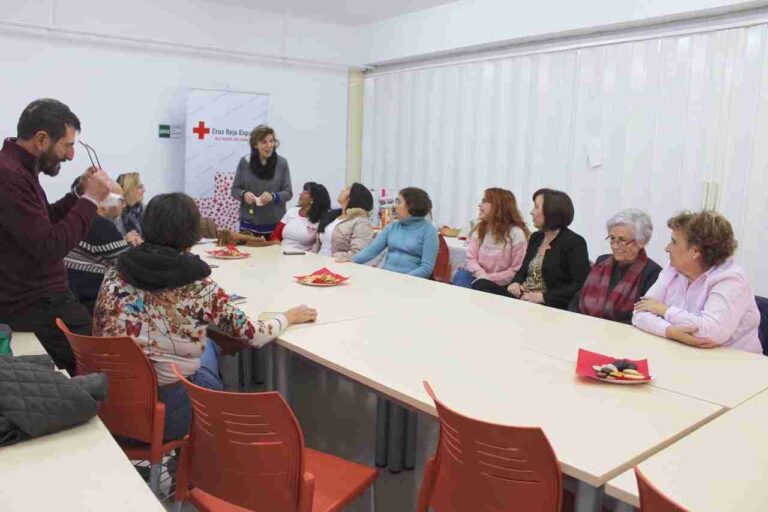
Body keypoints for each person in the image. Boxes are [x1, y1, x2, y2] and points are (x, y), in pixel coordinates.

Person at [93, 193, 317, 440]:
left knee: (208, 344)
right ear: (192, 232)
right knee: (210, 350)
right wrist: (288, 316)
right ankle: (214, 446)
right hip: (165, 411)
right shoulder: (197, 285)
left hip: (110, 401)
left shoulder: (116, 270)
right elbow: (254, 335)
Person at [0, 98, 111, 374]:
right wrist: (90, 200)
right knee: (101, 365)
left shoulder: (17, 168)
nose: (71, 155)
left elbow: (43, 221)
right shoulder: (10, 176)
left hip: (39, 300)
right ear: (41, 139)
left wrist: (78, 194)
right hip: (34, 305)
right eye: (67, 145)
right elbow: (50, 246)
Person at [632, 210, 761, 352]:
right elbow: (639, 313)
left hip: (736, 366)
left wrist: (664, 310)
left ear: (695, 252)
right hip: (685, 355)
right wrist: (670, 331)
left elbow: (711, 333)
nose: (667, 248)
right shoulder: (674, 268)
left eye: (674, 242)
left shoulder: (731, 279)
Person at [473, 188, 590, 309]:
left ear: (551, 212)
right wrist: (516, 283)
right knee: (481, 284)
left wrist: (543, 297)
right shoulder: (536, 237)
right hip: (522, 297)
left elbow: (579, 284)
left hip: (548, 304)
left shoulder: (575, 243)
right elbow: (523, 271)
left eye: (536, 207)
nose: (531, 212)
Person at [568, 209, 662, 324]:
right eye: (612, 238)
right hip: (585, 327)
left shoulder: (653, 273)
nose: (615, 246)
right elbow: (578, 298)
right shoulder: (602, 261)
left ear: (641, 242)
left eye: (623, 240)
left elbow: (642, 317)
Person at [65, 180, 136, 314]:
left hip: (72, 299)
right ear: (105, 202)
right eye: (121, 199)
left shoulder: (82, 219)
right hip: (90, 305)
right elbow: (130, 265)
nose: (124, 204)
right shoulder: (101, 226)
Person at [342, 187, 438, 278]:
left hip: (411, 283)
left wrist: (404, 279)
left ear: (411, 206)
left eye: (398, 202)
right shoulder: (392, 226)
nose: (394, 206)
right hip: (387, 277)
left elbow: (426, 268)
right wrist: (352, 260)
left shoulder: (429, 231)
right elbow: (373, 249)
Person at [455, 188, 529, 289]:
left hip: (501, 284)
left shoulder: (517, 234)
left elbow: (515, 270)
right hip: (478, 276)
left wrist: (487, 279)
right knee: (461, 275)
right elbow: (471, 258)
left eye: (484, 201)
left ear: (497, 206)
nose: (479, 205)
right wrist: (480, 274)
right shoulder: (480, 228)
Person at [231, 125, 293, 238]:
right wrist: (244, 194)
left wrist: (273, 196)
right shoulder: (244, 162)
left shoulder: (282, 163)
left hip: (274, 224)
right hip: (248, 224)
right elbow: (235, 190)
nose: (269, 146)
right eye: (264, 142)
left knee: (271, 255)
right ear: (255, 144)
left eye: (271, 141)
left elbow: (288, 193)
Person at [313, 183, 374, 258]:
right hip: (318, 261)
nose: (342, 190)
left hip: (336, 265)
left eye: (347, 189)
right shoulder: (332, 216)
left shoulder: (361, 222)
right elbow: (317, 246)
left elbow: (357, 253)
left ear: (352, 197)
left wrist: (330, 258)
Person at [270, 182, 331, 252]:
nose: (300, 194)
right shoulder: (292, 211)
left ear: (313, 199)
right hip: (282, 253)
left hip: (304, 258)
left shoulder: (321, 221)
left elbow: (319, 247)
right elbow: (275, 235)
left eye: (305, 192)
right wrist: (278, 246)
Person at [115, 172, 145, 237]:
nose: (144, 190)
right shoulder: (112, 211)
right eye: (140, 187)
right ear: (128, 189)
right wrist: (124, 239)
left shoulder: (143, 209)